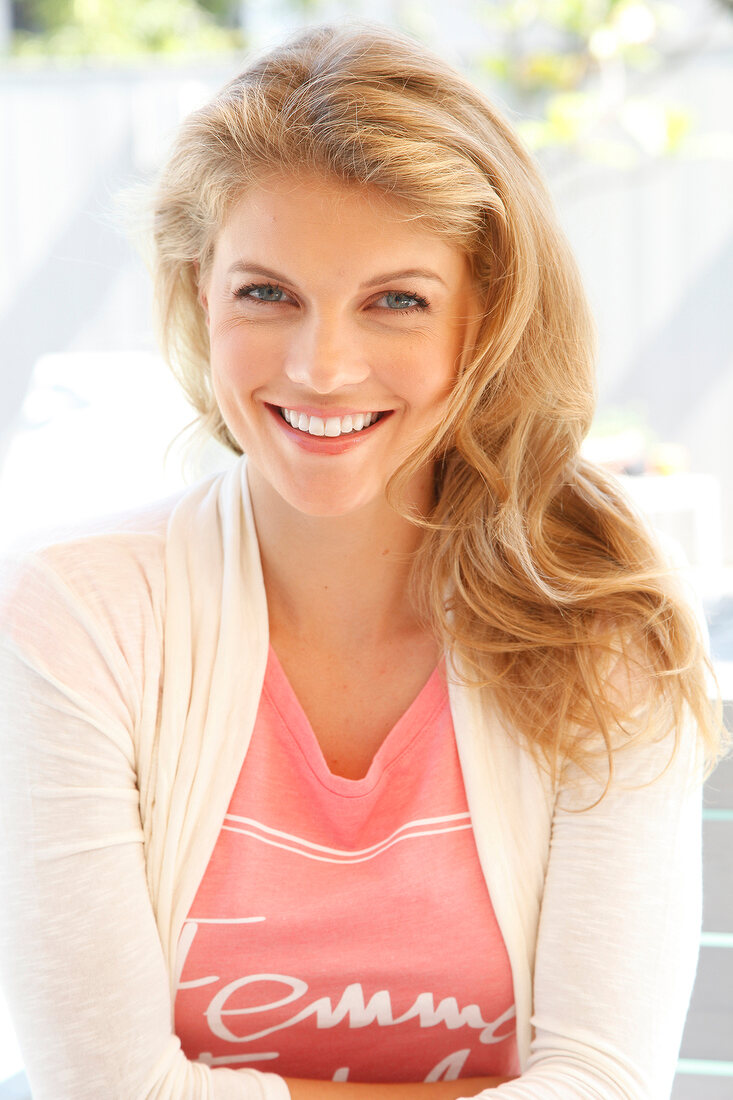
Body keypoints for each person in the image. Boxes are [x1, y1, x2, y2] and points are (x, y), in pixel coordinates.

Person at [0, 21, 725, 1100]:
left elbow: (603, 1079)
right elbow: (106, 1088)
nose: (321, 365)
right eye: (266, 293)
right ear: (199, 292)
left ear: (483, 316)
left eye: (396, 300)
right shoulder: (80, 619)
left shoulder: (601, 621)